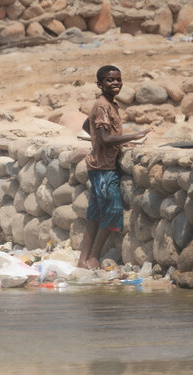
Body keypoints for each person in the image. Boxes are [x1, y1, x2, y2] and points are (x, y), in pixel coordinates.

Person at [77, 65, 151, 270]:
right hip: (103, 168)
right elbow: (105, 138)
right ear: (100, 84)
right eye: (110, 80)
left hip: (100, 166)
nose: (116, 83)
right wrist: (134, 136)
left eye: (118, 79)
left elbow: (87, 125)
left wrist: (112, 140)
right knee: (113, 210)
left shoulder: (108, 104)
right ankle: (93, 257)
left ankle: (83, 260)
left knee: (95, 212)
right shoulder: (103, 106)